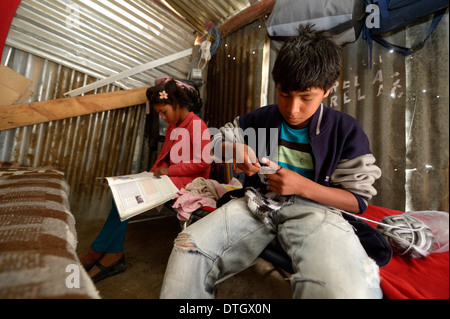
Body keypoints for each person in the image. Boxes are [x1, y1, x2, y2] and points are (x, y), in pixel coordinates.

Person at [159, 25, 384, 299]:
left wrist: (302, 186)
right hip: (256, 203)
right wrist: (233, 149)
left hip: (315, 211)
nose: (292, 109)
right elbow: (213, 143)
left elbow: (357, 200)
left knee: (345, 290)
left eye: (306, 98)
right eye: (284, 94)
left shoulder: (344, 130)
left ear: (328, 89)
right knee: (187, 248)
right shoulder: (262, 120)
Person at [79, 78, 211, 283]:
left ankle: (100, 252)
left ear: (177, 104)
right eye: (159, 113)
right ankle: (110, 252)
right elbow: (164, 157)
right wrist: (148, 175)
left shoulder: (197, 125)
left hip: (190, 182)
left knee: (129, 195)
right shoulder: (173, 126)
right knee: (121, 192)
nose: (163, 117)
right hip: (172, 177)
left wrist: (168, 170)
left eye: (164, 112)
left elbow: (202, 162)